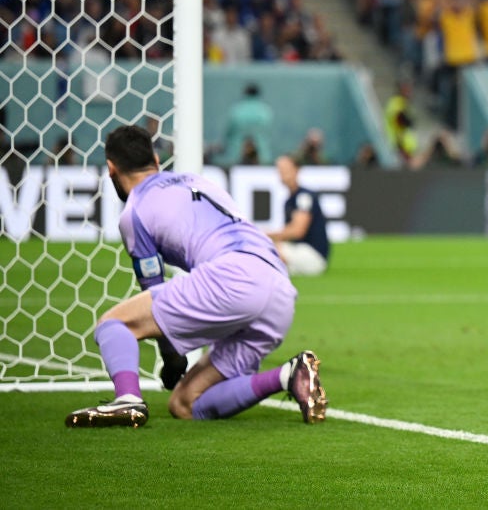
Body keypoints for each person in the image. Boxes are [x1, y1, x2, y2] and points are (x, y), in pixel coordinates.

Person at [65, 125, 327, 428]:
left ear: (111, 169)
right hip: (279, 284)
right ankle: (289, 374)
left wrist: (172, 359)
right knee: (185, 403)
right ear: (155, 159)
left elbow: (154, 292)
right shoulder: (198, 180)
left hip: (232, 277)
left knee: (114, 323)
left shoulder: (134, 214)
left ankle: (127, 399)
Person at [266, 155, 330, 277]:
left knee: (268, 249)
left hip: (313, 255)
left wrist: (267, 235)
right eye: (280, 170)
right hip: (299, 250)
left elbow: (298, 230)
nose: (282, 173)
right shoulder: (289, 200)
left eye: (286, 169)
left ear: (296, 170)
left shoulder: (303, 197)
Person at [223, 83, 274, 165]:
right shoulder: (265, 111)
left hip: (237, 157)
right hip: (263, 157)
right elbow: (270, 133)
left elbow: (229, 133)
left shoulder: (236, 110)